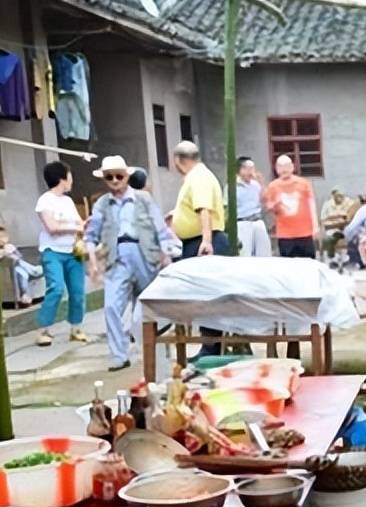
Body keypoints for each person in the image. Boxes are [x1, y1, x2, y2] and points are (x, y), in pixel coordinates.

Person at [84, 155, 175, 371]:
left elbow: (160, 228)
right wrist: (93, 262)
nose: (115, 181)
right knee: (111, 307)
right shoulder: (102, 204)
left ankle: (157, 352)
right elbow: (91, 234)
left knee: (148, 307)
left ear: (127, 177)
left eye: (119, 176)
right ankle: (119, 355)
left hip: (145, 253)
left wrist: (166, 255)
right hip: (116, 256)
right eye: (109, 177)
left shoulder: (143, 199)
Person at [33, 160, 87, 347]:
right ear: (61, 178)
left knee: (78, 291)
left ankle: (76, 328)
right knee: (55, 288)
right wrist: (73, 226)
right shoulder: (44, 201)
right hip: (52, 252)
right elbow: (52, 227)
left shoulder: (68, 201)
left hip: (72, 251)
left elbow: (81, 224)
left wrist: (76, 227)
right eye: (69, 175)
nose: (71, 180)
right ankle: (43, 329)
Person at [171, 140, 229, 258]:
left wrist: (206, 241)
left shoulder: (199, 177)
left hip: (203, 242)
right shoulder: (198, 176)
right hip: (199, 240)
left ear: (177, 160)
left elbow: (204, 208)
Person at [264, 154, 318, 258]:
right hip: (285, 234)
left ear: (292, 167)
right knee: (289, 266)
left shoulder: (303, 183)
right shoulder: (272, 186)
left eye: (287, 166)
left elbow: (311, 204)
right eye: (281, 166)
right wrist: (275, 205)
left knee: (309, 264)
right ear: (276, 169)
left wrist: (315, 226)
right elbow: (269, 207)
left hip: (305, 232)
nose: (284, 169)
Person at [233, 156, 272, 257]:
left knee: (264, 252)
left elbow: (264, 200)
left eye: (252, 168)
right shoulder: (232, 186)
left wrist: (262, 183)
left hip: (257, 220)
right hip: (243, 222)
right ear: (240, 170)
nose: (251, 172)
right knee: (245, 253)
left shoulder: (256, 184)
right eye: (247, 168)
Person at [0, 225, 42, 305]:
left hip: (17, 268)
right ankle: (34, 271)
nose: (2, 240)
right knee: (19, 267)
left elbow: (20, 256)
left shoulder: (10, 246)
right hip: (8, 271)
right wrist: (6, 253)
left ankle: (24, 294)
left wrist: (14, 251)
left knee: (21, 271)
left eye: (4, 237)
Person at [320, 186, 359, 267]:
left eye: (342, 195)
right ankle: (333, 259)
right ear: (333, 196)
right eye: (338, 195)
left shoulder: (349, 203)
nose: (340, 197)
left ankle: (350, 259)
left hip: (346, 228)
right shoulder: (327, 204)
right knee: (330, 238)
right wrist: (334, 218)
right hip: (332, 228)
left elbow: (354, 216)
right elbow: (322, 219)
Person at [344, 187, 366, 268]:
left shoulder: (365, 209)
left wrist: (346, 235)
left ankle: (358, 264)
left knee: (352, 238)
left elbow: (351, 228)